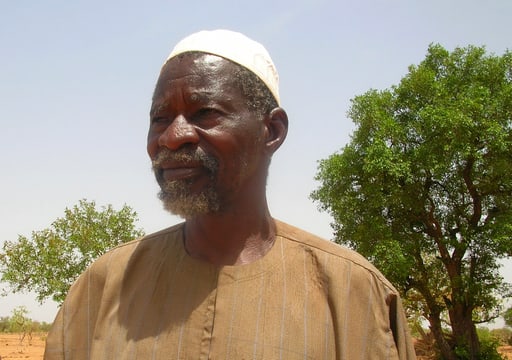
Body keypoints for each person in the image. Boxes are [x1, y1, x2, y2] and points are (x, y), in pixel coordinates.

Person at [44, 29, 416, 359]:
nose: (173, 137)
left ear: (271, 131)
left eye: (204, 112)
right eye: (160, 118)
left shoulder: (354, 295)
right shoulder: (102, 287)